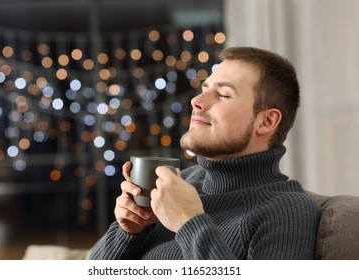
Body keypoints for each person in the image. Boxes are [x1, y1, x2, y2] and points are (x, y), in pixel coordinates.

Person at [89, 46, 321, 260]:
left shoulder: (287, 211)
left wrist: (189, 221)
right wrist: (129, 232)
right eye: (205, 89)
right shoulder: (184, 182)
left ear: (267, 121)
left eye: (223, 95)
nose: (196, 101)